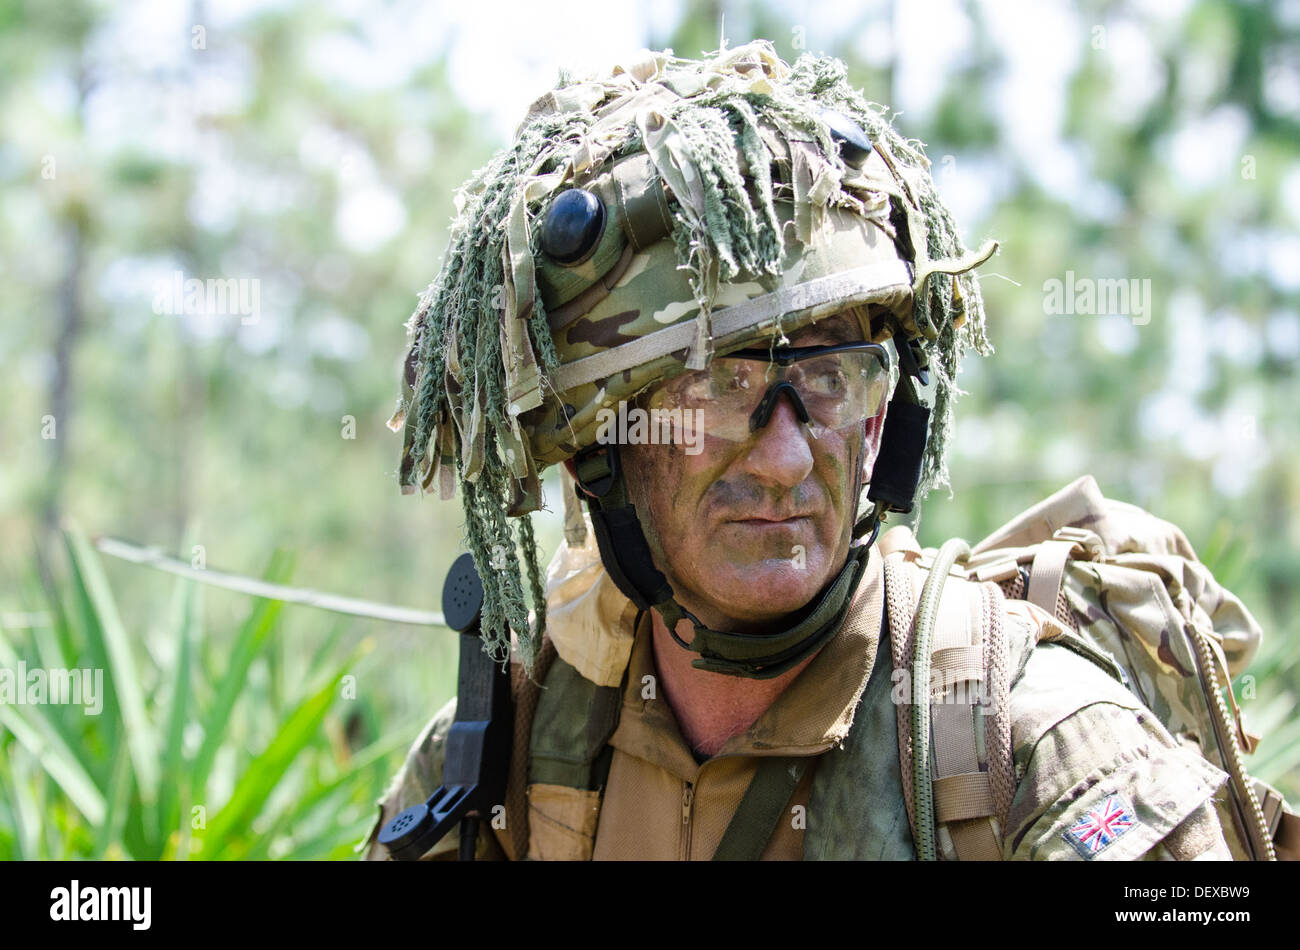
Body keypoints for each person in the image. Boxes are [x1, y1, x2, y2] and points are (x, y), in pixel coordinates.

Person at [361, 41, 1236, 860]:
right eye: (715, 391)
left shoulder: (1029, 748)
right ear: (599, 447)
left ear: (884, 419)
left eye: (830, 380)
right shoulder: (502, 758)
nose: (784, 460)